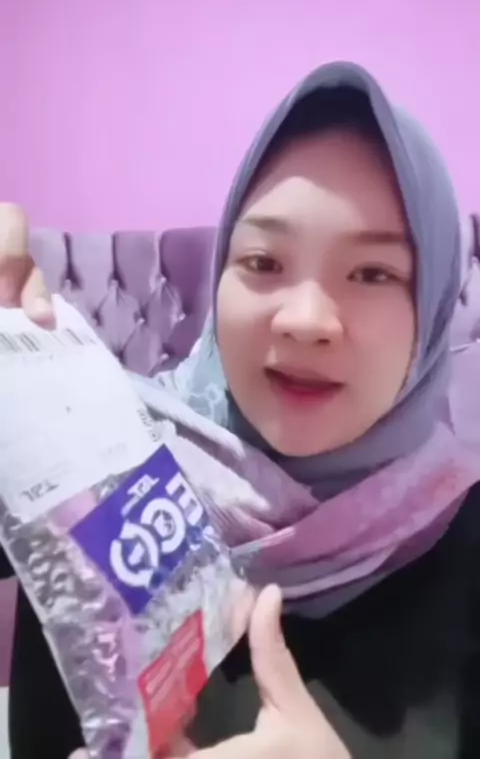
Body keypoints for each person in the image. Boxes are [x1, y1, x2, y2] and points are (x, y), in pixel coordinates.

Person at [1, 61, 480, 759]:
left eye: (373, 273)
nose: (305, 319)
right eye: (263, 262)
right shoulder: (95, 468)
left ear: (430, 313)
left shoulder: (463, 540)